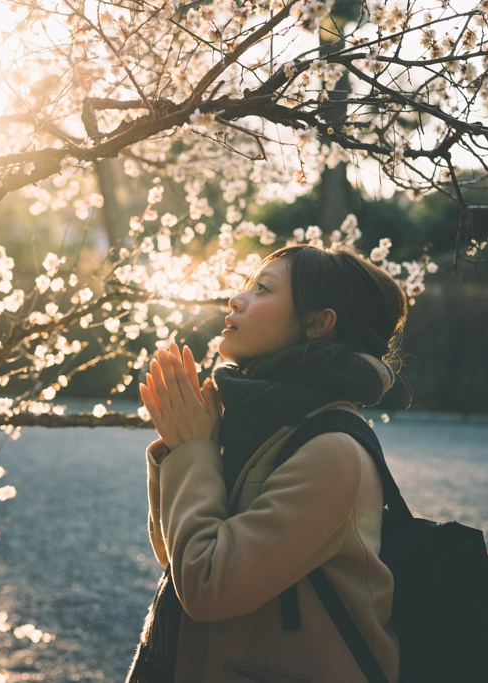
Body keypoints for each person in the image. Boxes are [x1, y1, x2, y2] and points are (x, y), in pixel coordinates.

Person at [129, 243, 407, 683]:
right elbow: (177, 557)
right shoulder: (254, 424)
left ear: (318, 323)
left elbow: (206, 584)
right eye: (246, 286)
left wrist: (192, 449)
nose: (236, 299)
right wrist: (187, 445)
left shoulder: (333, 452)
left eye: (262, 289)